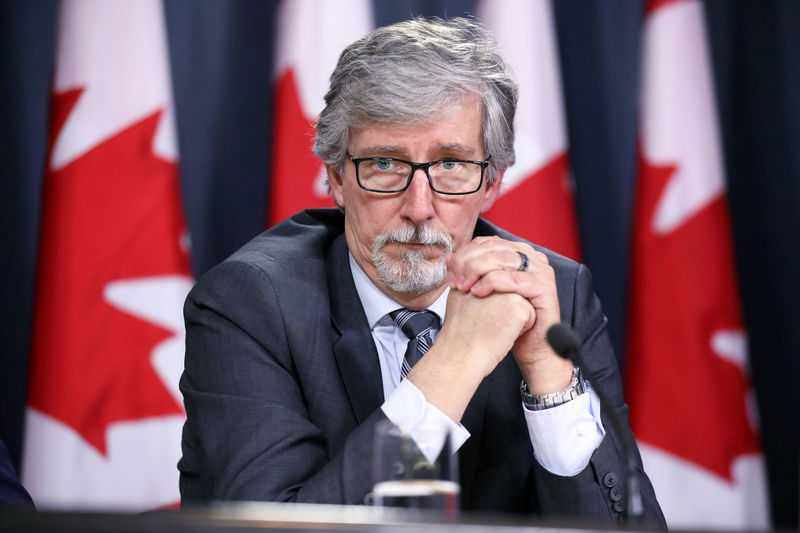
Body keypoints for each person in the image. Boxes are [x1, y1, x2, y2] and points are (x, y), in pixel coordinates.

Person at [179, 16, 665, 524]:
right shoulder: (250, 302)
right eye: (386, 163)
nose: (419, 206)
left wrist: (550, 379)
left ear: (492, 183)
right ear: (337, 180)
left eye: (451, 164)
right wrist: (456, 358)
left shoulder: (553, 296)